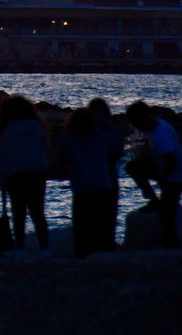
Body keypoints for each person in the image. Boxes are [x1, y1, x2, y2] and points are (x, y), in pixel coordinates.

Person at [124, 100, 182, 247]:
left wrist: (162, 180)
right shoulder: (153, 127)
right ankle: (154, 201)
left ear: (143, 118)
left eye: (135, 122)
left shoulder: (162, 133)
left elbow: (172, 163)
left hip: (177, 175)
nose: (135, 126)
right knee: (132, 167)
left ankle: (171, 245)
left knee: (167, 212)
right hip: (164, 168)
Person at [0, 95, 50, 253]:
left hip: (15, 174)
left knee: (18, 213)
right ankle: (44, 247)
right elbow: (46, 148)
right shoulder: (37, 127)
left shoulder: (7, 130)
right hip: (37, 173)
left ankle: (19, 247)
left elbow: (3, 156)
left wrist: (1, 179)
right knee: (38, 212)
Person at [57, 108, 116, 257]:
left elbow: (60, 157)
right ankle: (104, 254)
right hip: (103, 187)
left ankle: (83, 255)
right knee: (102, 226)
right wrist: (103, 121)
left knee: (81, 227)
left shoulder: (68, 139)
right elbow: (116, 142)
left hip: (82, 188)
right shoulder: (102, 137)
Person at [88, 97, 125, 248]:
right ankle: (105, 245)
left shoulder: (97, 131)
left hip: (101, 178)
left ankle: (103, 245)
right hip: (106, 178)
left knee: (103, 216)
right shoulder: (111, 131)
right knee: (105, 216)